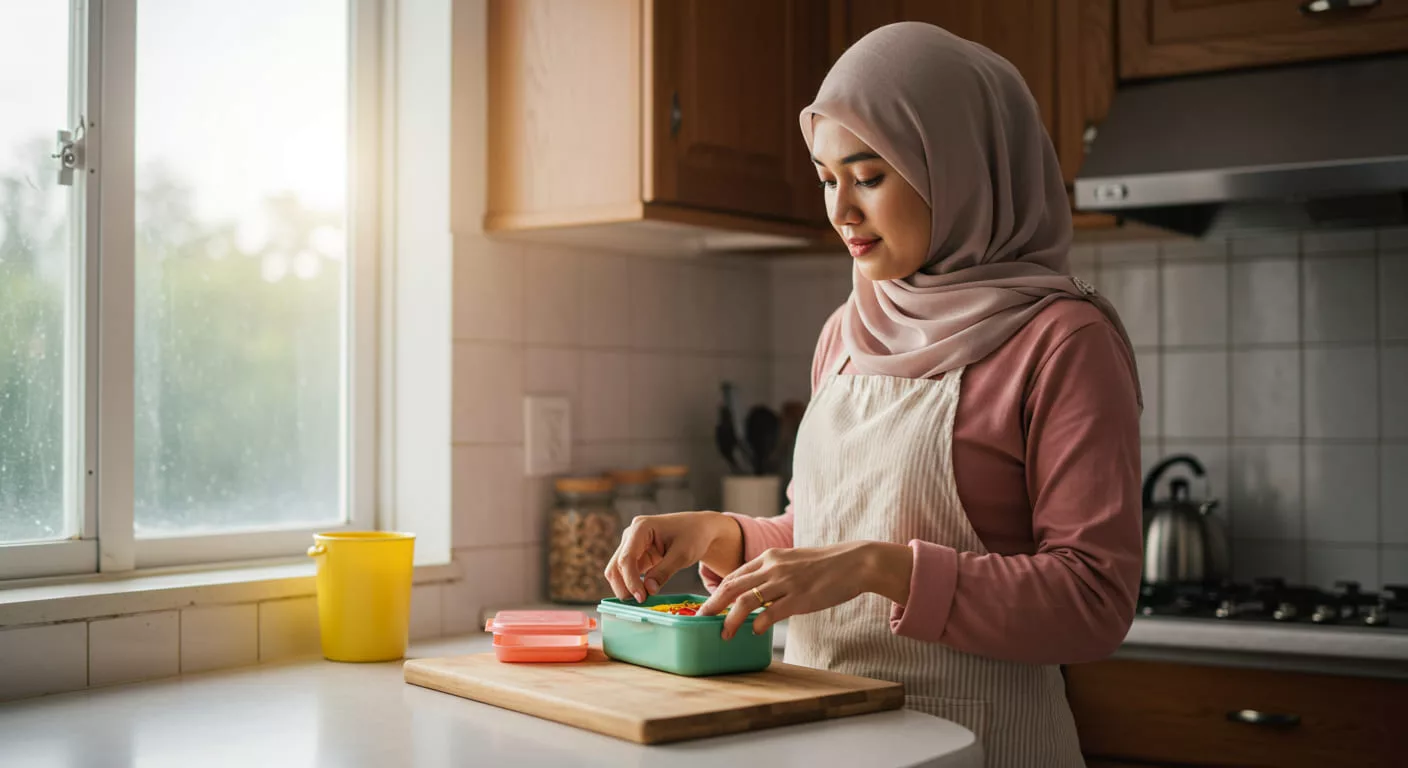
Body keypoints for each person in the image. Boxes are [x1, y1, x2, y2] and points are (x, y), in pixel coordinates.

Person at [603, 21, 1143, 766]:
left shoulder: (1062, 341)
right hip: (825, 740)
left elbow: (1093, 604)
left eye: (869, 175)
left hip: (990, 747)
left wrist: (878, 567)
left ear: (957, 166)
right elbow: (824, 535)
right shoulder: (847, 331)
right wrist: (719, 535)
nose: (841, 211)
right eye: (828, 178)